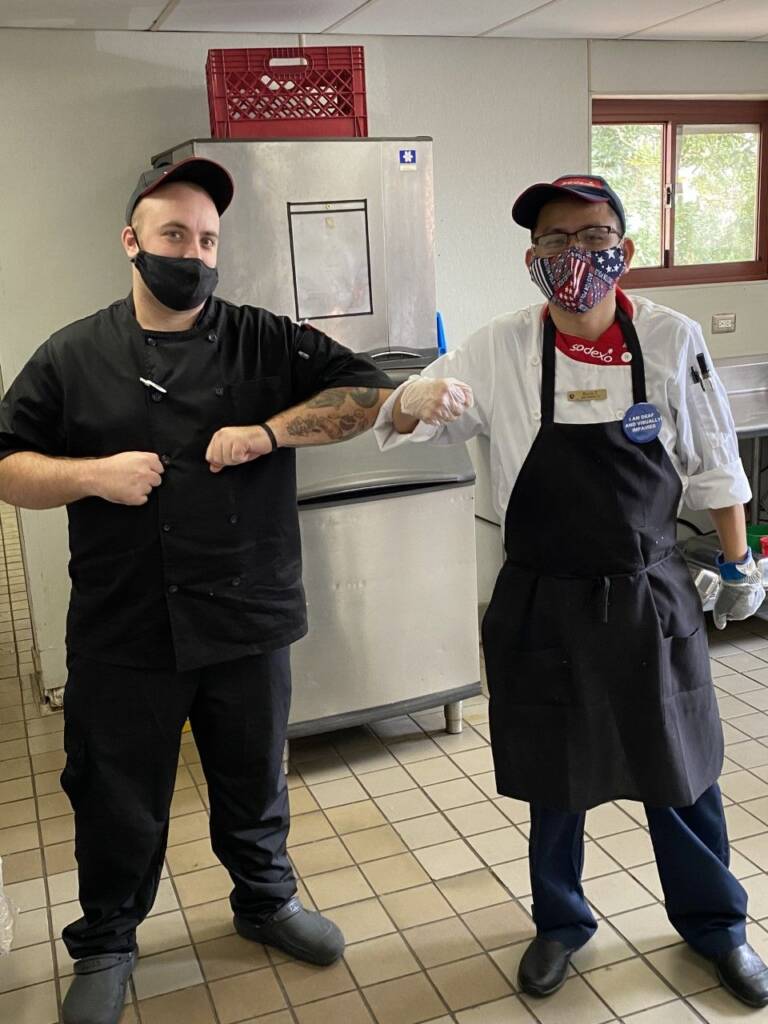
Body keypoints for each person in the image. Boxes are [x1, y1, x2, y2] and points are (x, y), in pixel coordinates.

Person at [0, 157, 393, 1024]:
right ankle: (106, 938)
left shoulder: (263, 339)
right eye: (174, 234)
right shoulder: (72, 354)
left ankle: (266, 902)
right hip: (124, 620)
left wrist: (266, 431)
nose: (194, 253)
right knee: (115, 792)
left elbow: (369, 395)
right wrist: (93, 476)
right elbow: (8, 466)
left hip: (249, 611)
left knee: (254, 778)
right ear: (131, 241)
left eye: (208, 239)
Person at [374, 174, 768, 1009]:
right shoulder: (497, 347)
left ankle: (717, 927)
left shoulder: (669, 338)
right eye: (556, 242)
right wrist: (407, 398)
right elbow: (411, 416)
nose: (575, 258)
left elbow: (717, 463)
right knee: (554, 772)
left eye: (593, 240)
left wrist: (739, 566)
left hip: (649, 596)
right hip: (542, 600)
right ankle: (560, 923)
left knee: (682, 769)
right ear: (532, 258)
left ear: (623, 251)